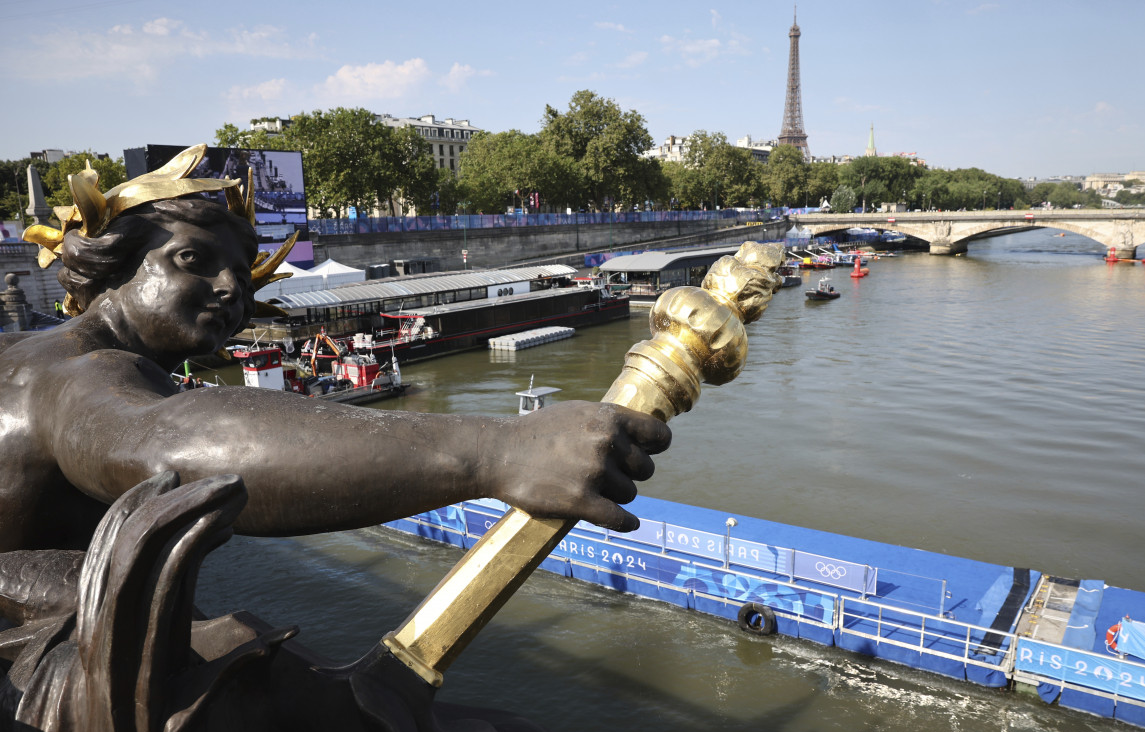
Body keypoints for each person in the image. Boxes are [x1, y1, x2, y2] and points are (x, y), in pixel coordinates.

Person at [3, 145, 670, 556]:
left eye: (242, 270)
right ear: (110, 265)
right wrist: (501, 451)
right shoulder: (87, 371)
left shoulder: (24, 352)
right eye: (192, 260)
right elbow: (162, 444)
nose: (231, 285)